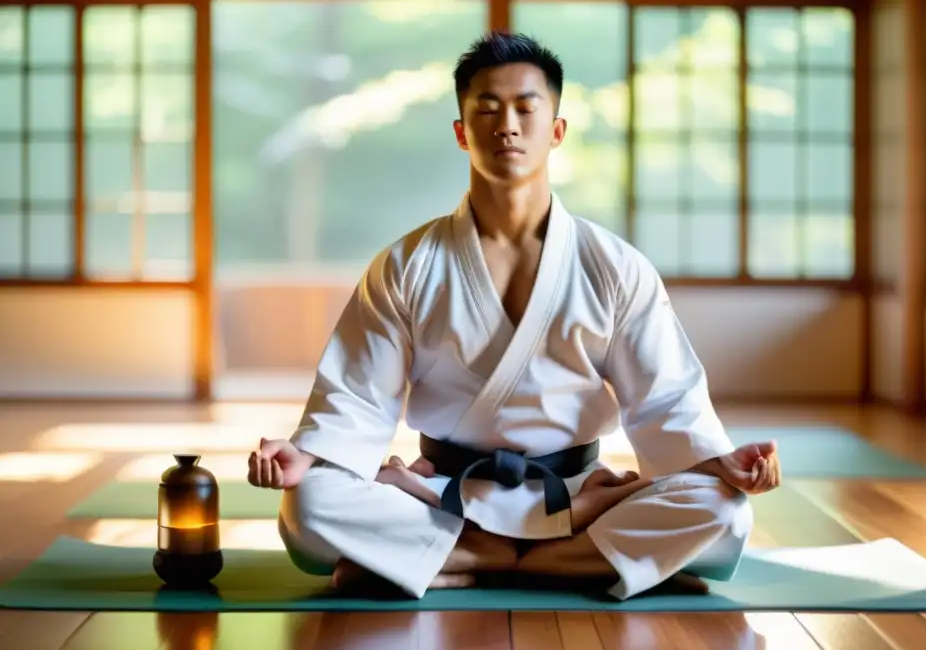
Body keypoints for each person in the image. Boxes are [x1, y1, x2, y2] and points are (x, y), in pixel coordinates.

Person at [247, 31, 782, 600]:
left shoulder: (614, 266)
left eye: (526, 108)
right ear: (461, 132)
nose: (507, 124)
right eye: (487, 108)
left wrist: (720, 461)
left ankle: (466, 562)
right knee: (308, 507)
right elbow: (356, 397)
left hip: (576, 491)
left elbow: (666, 398)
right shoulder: (407, 265)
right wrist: (306, 452)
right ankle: (563, 563)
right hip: (443, 490)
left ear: (556, 132)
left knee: (724, 513)